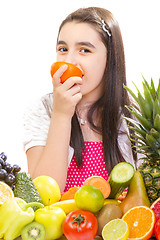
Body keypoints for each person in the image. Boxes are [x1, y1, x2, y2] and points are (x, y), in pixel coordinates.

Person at [23, 7, 136, 192]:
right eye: (63, 49)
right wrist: (61, 114)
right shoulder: (43, 110)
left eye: (84, 50)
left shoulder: (133, 115)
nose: (69, 61)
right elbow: (44, 195)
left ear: (110, 59)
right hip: (65, 222)